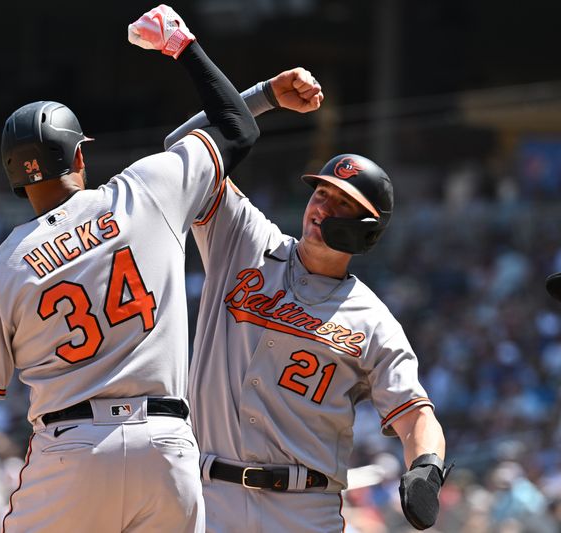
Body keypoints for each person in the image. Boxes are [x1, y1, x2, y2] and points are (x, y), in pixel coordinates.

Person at [0, 5, 259, 532]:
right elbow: (238, 127)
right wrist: (183, 47)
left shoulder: (0, 269)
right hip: (166, 447)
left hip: (72, 453)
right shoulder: (146, 191)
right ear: (80, 158)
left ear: (16, 180)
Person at [165, 71, 451, 531]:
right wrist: (262, 98)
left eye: (342, 204)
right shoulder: (244, 240)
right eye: (321, 193)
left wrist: (426, 468)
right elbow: (180, 150)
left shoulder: (372, 320)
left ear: (367, 230)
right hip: (206, 495)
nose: (322, 207)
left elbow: (416, 412)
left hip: (303, 509)